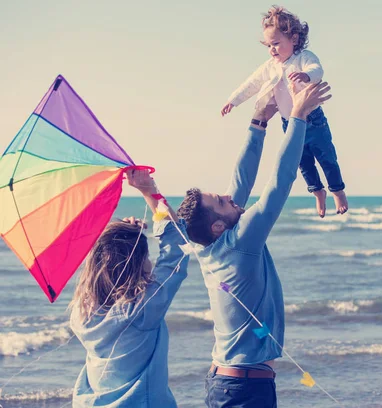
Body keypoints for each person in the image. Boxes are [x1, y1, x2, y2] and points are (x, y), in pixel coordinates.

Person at [178, 81, 331, 407]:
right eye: (221, 200)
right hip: (243, 391)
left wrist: (258, 121)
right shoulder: (240, 243)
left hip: (228, 383)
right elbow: (279, 182)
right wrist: (299, 116)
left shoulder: (211, 245)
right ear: (218, 225)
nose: (230, 197)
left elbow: (241, 181)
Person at [69, 169, 189, 407]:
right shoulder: (142, 310)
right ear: (136, 266)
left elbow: (103, 254)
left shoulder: (81, 313)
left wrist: (123, 236)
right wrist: (149, 191)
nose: (150, 262)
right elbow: (176, 249)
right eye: (145, 257)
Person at [221, 6, 347, 218]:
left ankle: (337, 191)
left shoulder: (303, 57)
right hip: (289, 123)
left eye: (277, 43)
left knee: (326, 158)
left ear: (294, 39)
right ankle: (317, 192)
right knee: (303, 163)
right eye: (269, 45)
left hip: (313, 119)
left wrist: (306, 76)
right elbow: (251, 84)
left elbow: (317, 69)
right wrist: (233, 100)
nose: (272, 49)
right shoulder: (269, 66)